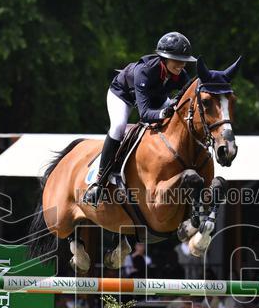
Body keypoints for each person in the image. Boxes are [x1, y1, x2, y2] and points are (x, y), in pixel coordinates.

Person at [83, 32, 196, 206]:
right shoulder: (146, 71)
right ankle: (99, 180)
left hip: (155, 97)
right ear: (164, 58)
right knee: (119, 127)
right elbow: (144, 114)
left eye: (184, 61)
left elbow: (189, 94)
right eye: (177, 60)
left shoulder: (179, 74)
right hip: (123, 95)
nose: (182, 65)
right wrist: (163, 113)